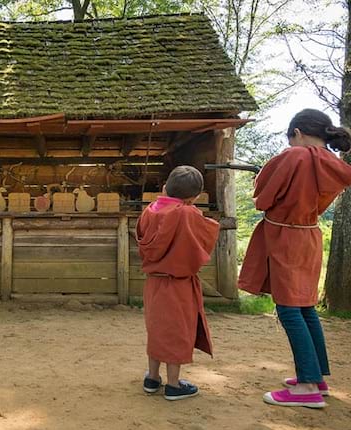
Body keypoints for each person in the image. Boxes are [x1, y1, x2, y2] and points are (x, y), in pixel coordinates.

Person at [239, 109, 351, 409]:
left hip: (286, 237)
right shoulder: (333, 163)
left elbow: (262, 198)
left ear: (298, 133)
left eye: (291, 139)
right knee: (305, 308)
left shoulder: (294, 157)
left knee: (289, 310)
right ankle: (317, 377)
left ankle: (306, 387)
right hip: (309, 235)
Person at [137, 166, 220, 400]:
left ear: (165, 187)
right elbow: (208, 232)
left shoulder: (149, 211)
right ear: (193, 197)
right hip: (178, 283)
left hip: (153, 282)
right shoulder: (187, 213)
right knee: (177, 331)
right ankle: (174, 385)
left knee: (156, 329)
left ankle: (152, 378)